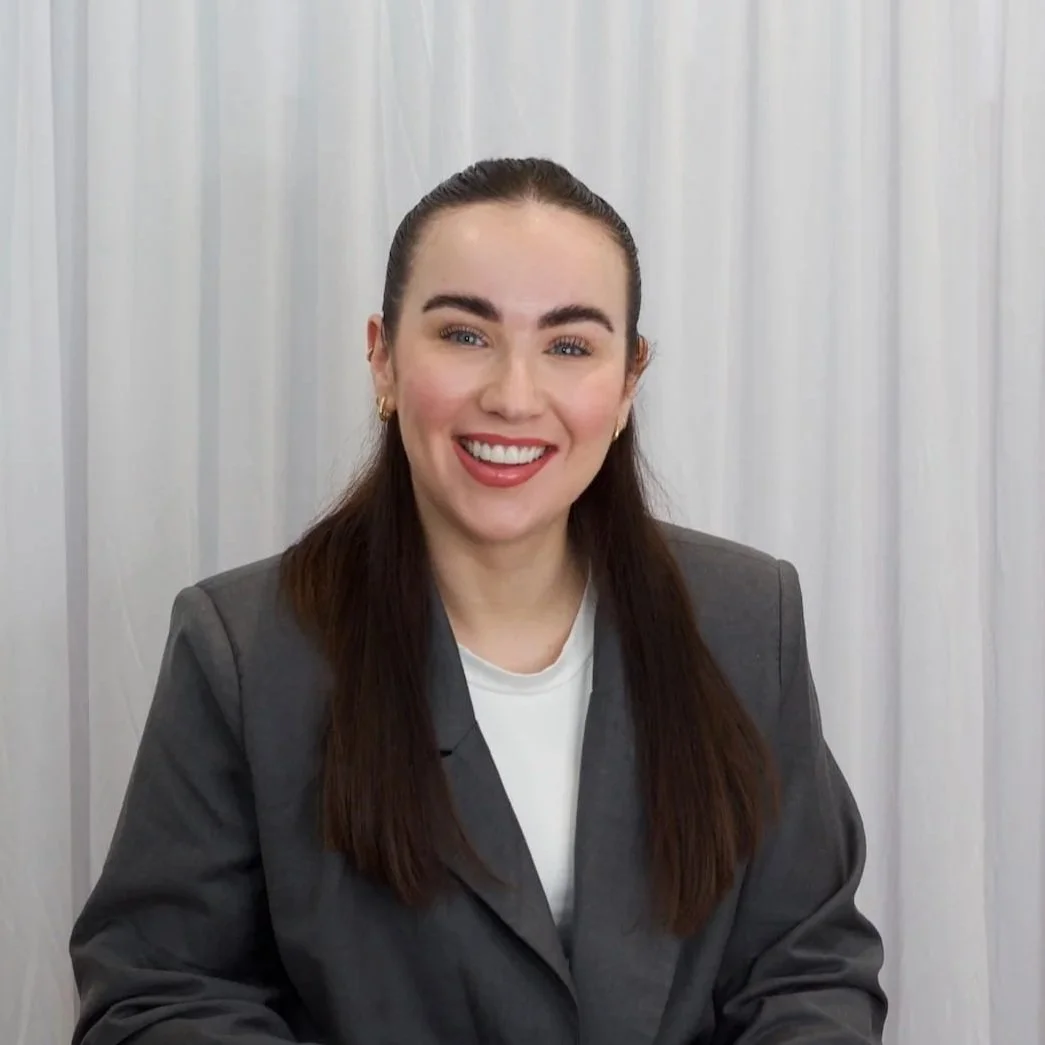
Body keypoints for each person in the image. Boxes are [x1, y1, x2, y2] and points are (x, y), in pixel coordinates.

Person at [70, 157, 886, 1044]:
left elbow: (807, 968)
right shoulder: (244, 650)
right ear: (382, 357)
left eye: (568, 346)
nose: (512, 396)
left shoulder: (746, 620)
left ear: (627, 381)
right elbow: (159, 994)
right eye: (464, 334)